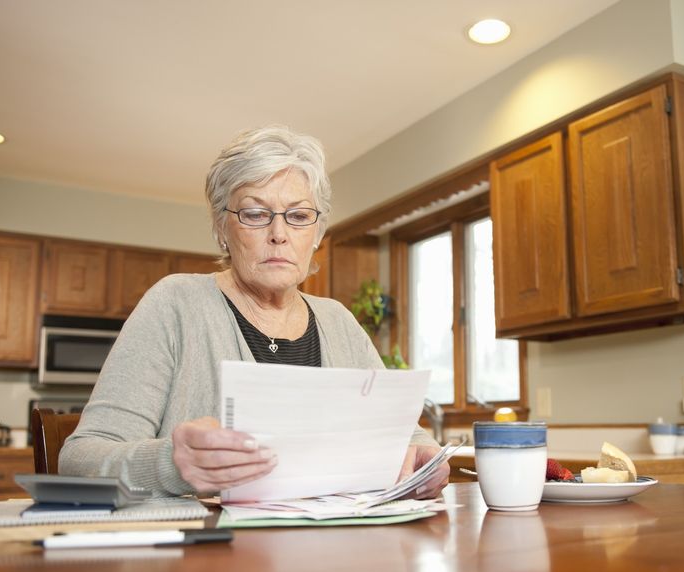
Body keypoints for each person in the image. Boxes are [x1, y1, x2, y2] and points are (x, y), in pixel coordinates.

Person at [59, 125, 449, 498]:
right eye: (255, 214)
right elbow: (79, 459)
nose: (279, 233)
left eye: (298, 216)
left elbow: (406, 439)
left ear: (316, 234)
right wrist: (171, 464)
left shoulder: (338, 322)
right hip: (206, 559)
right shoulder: (175, 304)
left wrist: (425, 462)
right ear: (221, 228)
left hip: (328, 554)